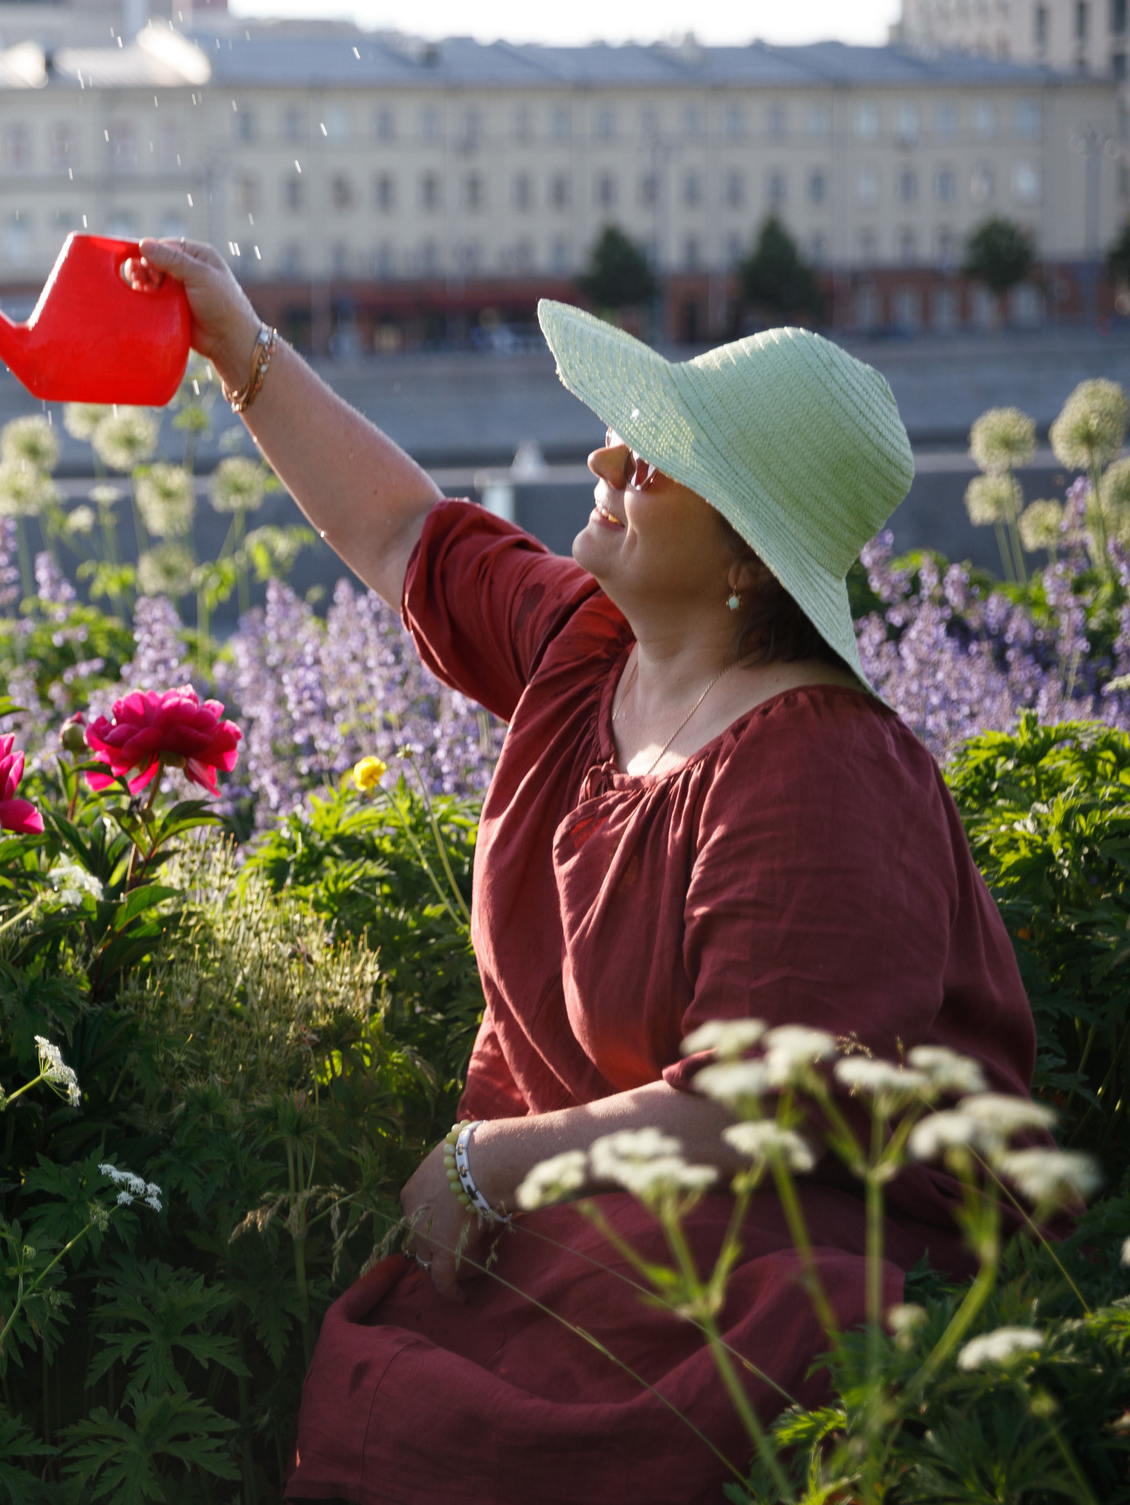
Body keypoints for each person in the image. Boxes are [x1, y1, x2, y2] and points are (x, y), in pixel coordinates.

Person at [137, 239, 1037, 1505]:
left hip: (784, 1244)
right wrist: (234, 341)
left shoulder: (823, 768)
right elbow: (402, 534)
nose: (607, 459)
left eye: (658, 457)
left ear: (746, 558)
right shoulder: (592, 646)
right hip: (601, 1214)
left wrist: (487, 1163)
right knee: (407, 1390)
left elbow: (760, 1115)